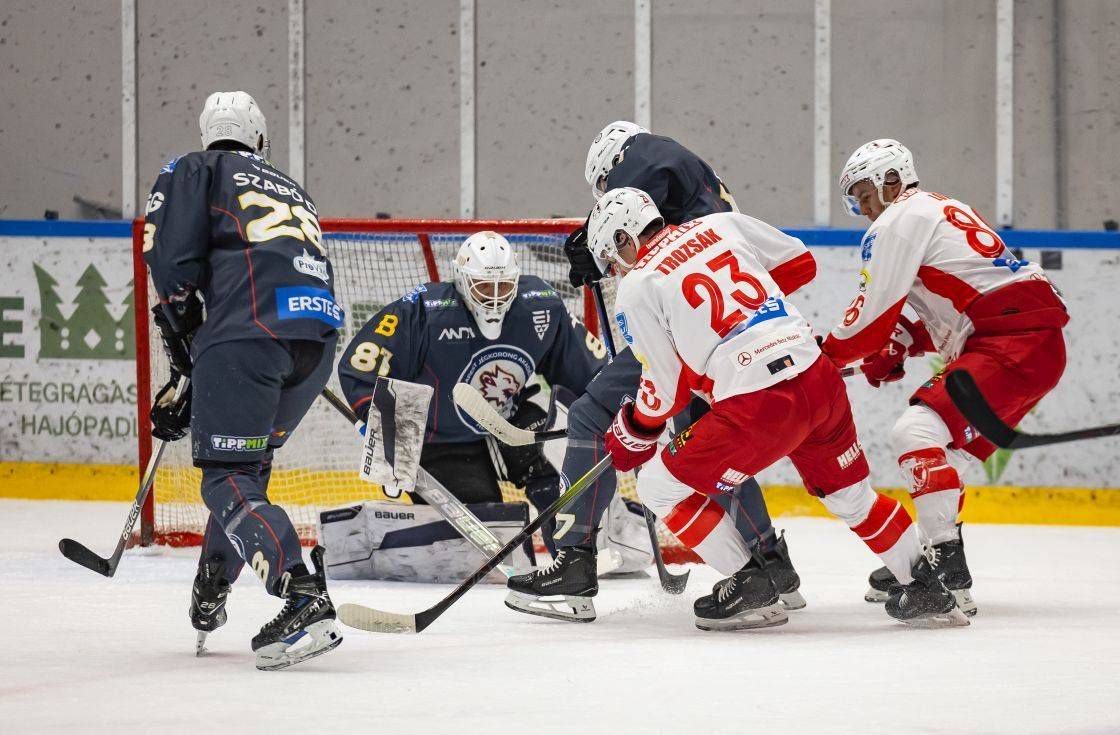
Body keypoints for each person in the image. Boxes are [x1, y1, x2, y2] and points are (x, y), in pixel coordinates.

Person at [590, 187, 969, 630]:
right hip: (816, 375)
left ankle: (749, 586)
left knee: (658, 485)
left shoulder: (638, 285)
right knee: (852, 497)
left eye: (613, 258)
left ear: (624, 238)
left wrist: (632, 430)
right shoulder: (719, 224)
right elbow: (800, 263)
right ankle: (927, 591)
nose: (617, 270)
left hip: (758, 403)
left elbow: (666, 390)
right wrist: (755, 319)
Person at [506, 122, 804, 623]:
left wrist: (591, 235)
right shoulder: (695, 179)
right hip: (729, 332)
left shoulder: (645, 154)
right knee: (706, 443)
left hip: (691, 330)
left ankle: (573, 562)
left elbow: (633, 203)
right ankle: (771, 562)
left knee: (590, 417)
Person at [821, 139, 1070, 615]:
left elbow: (869, 315)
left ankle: (946, 575)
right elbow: (956, 310)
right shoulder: (941, 209)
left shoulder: (899, 220)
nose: (865, 208)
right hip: (1032, 343)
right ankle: (925, 557)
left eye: (866, 193)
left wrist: (830, 355)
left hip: (1011, 342)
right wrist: (899, 343)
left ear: (892, 179)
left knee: (914, 431)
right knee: (946, 453)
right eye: (857, 199)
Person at [143, 91, 343, 670]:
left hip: (248, 335)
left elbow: (172, 265)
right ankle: (214, 580)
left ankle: (299, 591)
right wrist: (202, 374)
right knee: (246, 472)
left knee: (226, 476)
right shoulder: (291, 188)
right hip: (314, 342)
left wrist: (189, 355)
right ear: (259, 137)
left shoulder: (194, 167)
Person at [337, 231, 608, 558]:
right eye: (483, 286)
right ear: (462, 280)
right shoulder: (426, 312)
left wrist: (624, 408)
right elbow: (360, 364)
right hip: (441, 441)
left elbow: (592, 372)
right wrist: (383, 432)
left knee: (557, 464)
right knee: (485, 533)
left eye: (503, 286)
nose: (494, 298)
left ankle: (574, 557)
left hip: (510, 420)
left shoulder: (541, 306)